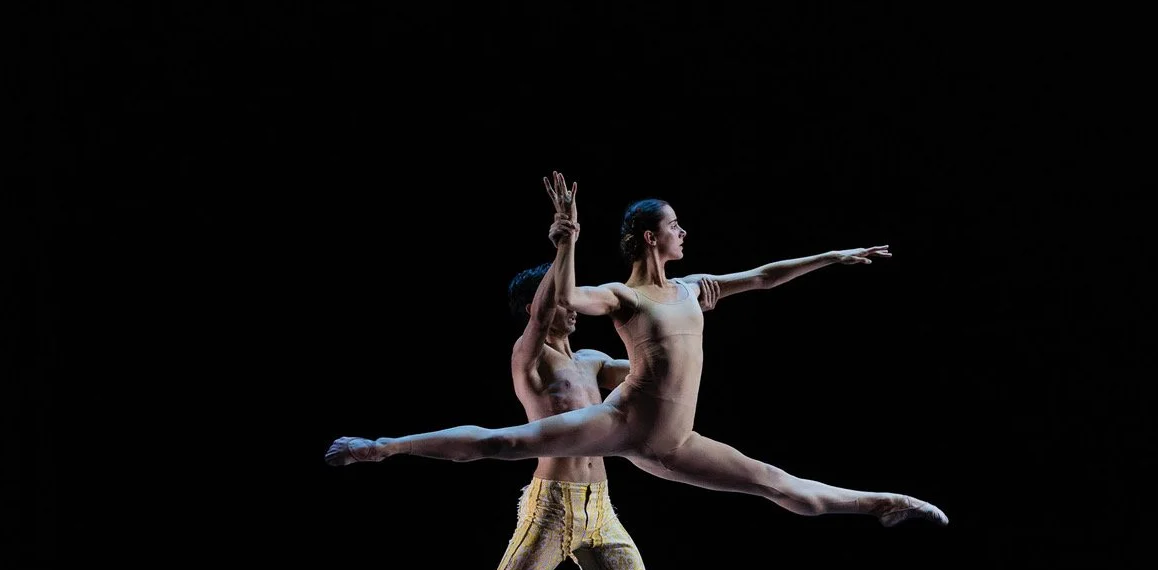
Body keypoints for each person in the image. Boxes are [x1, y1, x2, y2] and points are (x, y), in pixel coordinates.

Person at [326, 171, 949, 530]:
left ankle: (886, 504)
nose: (684, 232)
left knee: (779, 486)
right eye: (675, 225)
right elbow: (560, 299)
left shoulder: (692, 287)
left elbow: (763, 276)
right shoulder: (621, 296)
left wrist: (833, 256)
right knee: (502, 443)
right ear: (652, 236)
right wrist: (566, 241)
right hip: (622, 422)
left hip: (672, 443)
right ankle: (381, 447)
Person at [379, 212, 677, 570]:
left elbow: (654, 369)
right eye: (561, 299)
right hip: (550, 510)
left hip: (601, 509)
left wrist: (681, 313)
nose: (573, 306)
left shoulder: (591, 362)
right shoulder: (530, 357)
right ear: (538, 306)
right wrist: (566, 243)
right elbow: (542, 315)